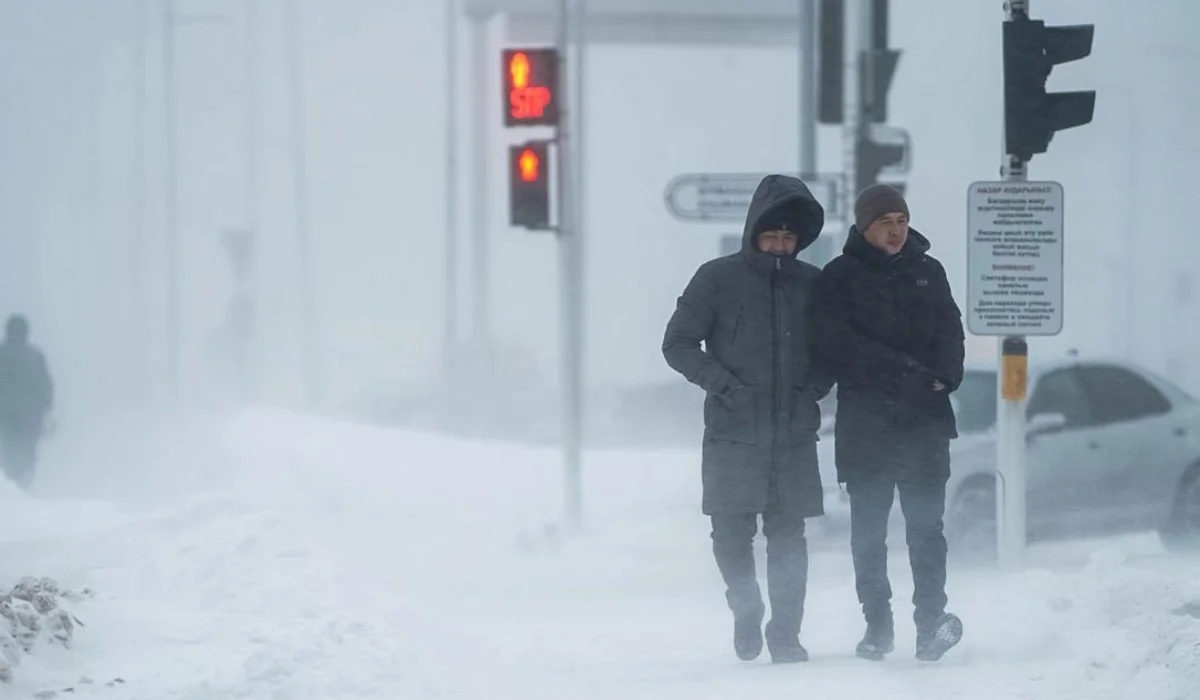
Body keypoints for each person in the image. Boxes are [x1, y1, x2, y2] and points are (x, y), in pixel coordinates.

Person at [663, 174, 831, 663]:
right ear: (753, 232)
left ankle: (786, 634)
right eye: (771, 234)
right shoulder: (716, 279)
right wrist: (725, 386)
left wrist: (811, 393)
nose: (780, 245)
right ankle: (745, 606)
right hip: (733, 432)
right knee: (731, 534)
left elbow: (832, 351)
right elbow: (677, 344)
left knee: (789, 538)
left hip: (793, 435)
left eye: (789, 237)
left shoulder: (812, 285)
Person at [811, 184, 966, 663]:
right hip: (867, 426)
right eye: (885, 221)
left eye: (901, 219)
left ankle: (929, 625)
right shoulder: (839, 277)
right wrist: (906, 372)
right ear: (863, 225)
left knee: (926, 528)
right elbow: (837, 345)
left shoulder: (928, 271)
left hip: (925, 422)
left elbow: (950, 329)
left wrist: (946, 375)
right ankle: (877, 625)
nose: (896, 230)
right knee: (869, 533)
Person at [0, 314, 54, 488]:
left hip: (7, 413)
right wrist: (46, 407)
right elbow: (46, 385)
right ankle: (23, 480)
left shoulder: (3, 353)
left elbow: (45, 385)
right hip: (29, 414)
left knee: (10, 448)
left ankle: (13, 481)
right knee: (27, 448)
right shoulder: (35, 356)